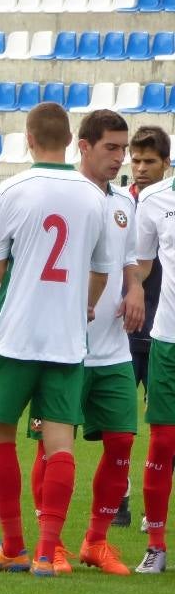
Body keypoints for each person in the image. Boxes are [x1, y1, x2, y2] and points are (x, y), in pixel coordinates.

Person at [0, 102, 112, 577]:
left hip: (13, 335)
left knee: (0, 438)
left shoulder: (12, 189)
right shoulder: (95, 196)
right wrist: (85, 305)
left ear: (29, 139)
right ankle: (46, 554)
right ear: (70, 138)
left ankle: (12, 543)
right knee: (59, 445)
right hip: (66, 338)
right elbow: (100, 272)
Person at [50, 110, 140, 575]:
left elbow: (129, 259)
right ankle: (53, 542)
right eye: (111, 147)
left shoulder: (124, 202)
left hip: (112, 346)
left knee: (123, 440)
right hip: (62, 347)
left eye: (123, 149)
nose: (120, 157)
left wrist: (137, 286)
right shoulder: (63, 197)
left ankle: (95, 541)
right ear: (82, 147)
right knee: (53, 448)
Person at [119, 126, 171, 527]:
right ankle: (119, 499)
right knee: (119, 422)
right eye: (134, 161)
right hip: (128, 326)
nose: (139, 168)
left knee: (163, 426)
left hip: (160, 327)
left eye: (148, 161)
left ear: (165, 163)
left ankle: (154, 509)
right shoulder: (121, 202)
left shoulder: (159, 203)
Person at [132, 131, 175, 574]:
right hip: (168, 340)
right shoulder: (155, 200)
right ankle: (157, 544)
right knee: (162, 442)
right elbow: (141, 267)